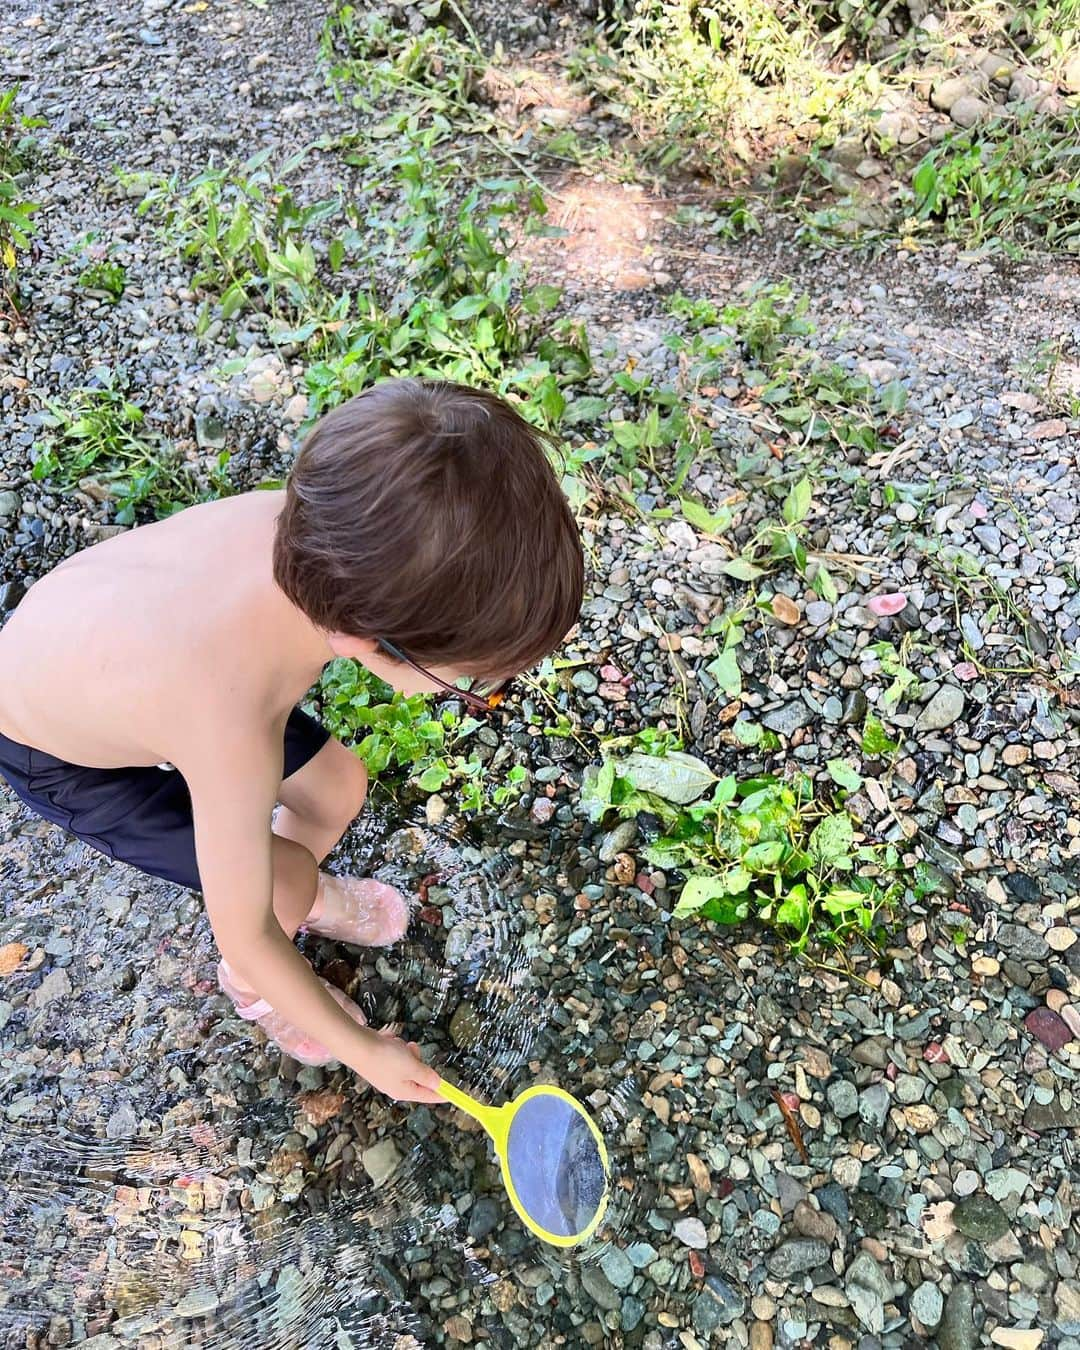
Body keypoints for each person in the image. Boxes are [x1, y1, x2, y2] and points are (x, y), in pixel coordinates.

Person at [0, 377, 584, 1103]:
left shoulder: (319, 529)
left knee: (338, 786)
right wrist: (365, 1051)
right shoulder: (229, 721)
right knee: (275, 891)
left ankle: (295, 898)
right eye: (470, 685)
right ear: (358, 638)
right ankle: (262, 989)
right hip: (59, 750)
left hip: (100, 649)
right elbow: (240, 926)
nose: (467, 698)